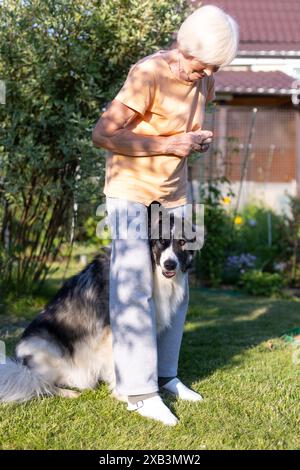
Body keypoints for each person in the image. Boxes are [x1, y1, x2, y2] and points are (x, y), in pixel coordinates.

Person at [92, 5, 239, 426]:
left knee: (179, 286)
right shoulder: (148, 73)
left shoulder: (205, 77)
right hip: (130, 192)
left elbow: (183, 124)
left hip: (174, 192)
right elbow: (103, 134)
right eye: (201, 66)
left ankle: (166, 374)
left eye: (212, 68)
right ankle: (137, 390)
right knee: (133, 285)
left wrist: (194, 143)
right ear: (183, 46)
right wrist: (170, 145)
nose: (205, 75)